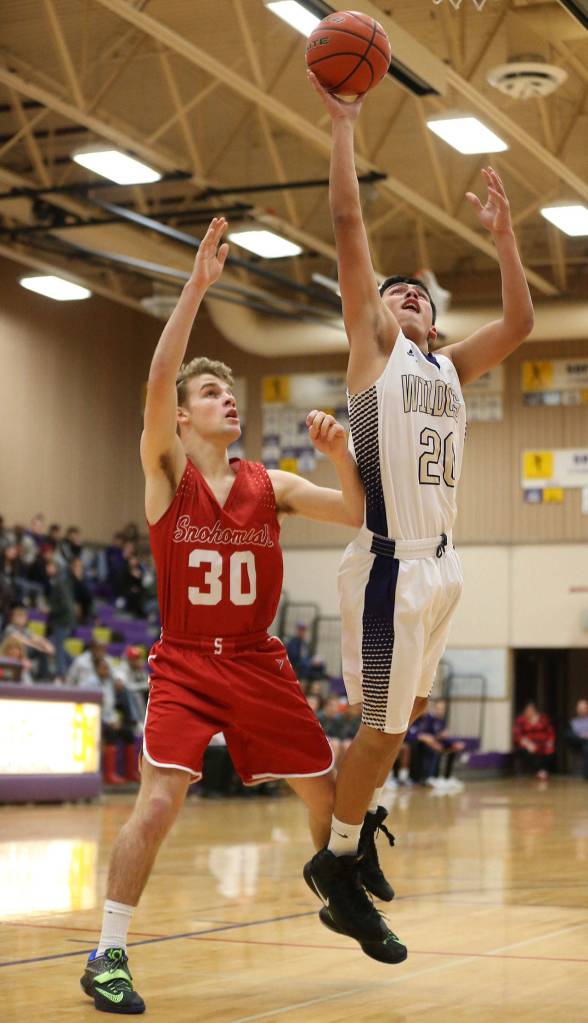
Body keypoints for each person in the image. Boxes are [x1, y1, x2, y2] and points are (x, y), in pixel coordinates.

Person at [79, 216, 369, 1014]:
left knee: (327, 789)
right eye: (211, 391)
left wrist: (342, 453)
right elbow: (156, 376)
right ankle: (108, 952)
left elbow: (352, 510)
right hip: (183, 659)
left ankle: (339, 888)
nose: (226, 398)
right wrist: (197, 285)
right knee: (159, 802)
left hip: (254, 657)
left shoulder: (270, 482)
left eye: (230, 391)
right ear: (180, 416)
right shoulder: (165, 471)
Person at [304, 70, 535, 961]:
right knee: (384, 728)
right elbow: (349, 227)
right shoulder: (374, 353)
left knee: (408, 713)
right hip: (391, 561)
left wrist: (506, 237)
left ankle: (358, 822)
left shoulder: (448, 370)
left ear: (435, 323)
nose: (404, 295)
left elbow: (518, 319)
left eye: (419, 295)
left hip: (445, 563)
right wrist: (344, 125)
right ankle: (338, 866)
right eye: (393, 292)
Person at [411, 699, 465, 790]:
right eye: (438, 709)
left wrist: (453, 744)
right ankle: (429, 777)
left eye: (442, 709)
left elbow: (442, 736)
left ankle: (446, 778)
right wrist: (434, 741)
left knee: (453, 749)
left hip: (436, 743)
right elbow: (427, 735)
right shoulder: (429, 720)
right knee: (431, 748)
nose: (440, 711)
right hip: (426, 744)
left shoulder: (442, 721)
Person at [513, 701, 555, 780]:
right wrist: (527, 743)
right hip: (528, 743)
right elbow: (517, 734)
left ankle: (544, 770)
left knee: (550, 750)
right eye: (528, 710)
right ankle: (539, 771)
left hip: (543, 743)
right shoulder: (521, 720)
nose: (529, 712)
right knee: (529, 751)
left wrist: (550, 741)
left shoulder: (543, 718)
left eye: (531, 710)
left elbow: (550, 731)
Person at [566, 699, 588, 780]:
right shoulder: (573, 722)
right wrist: (581, 736)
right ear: (577, 709)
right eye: (580, 708)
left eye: (584, 708)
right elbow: (568, 735)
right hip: (578, 742)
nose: (582, 710)